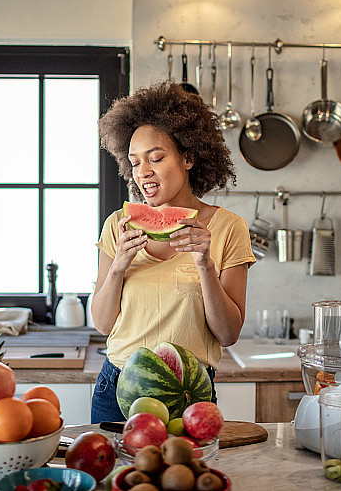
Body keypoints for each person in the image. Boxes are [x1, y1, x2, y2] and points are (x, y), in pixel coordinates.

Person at [90, 81, 256, 423]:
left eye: (156, 158)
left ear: (189, 157)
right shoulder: (118, 225)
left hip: (189, 392)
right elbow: (103, 323)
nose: (143, 173)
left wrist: (205, 266)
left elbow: (228, 335)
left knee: (185, 477)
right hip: (117, 387)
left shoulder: (228, 228)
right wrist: (119, 266)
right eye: (135, 162)